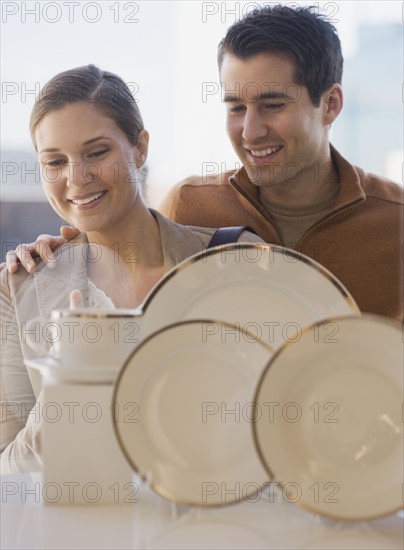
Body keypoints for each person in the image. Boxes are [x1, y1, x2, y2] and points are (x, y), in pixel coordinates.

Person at [6, 5, 402, 321]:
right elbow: (125, 261)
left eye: (272, 105)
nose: (250, 131)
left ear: (330, 104)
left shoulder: (396, 223)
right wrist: (59, 256)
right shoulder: (191, 204)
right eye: (236, 107)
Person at [0, 65, 260, 473]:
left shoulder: (236, 260)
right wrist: (69, 385)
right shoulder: (18, 288)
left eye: (97, 152)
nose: (76, 178)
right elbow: (9, 472)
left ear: (140, 147)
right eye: (54, 162)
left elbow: (282, 434)